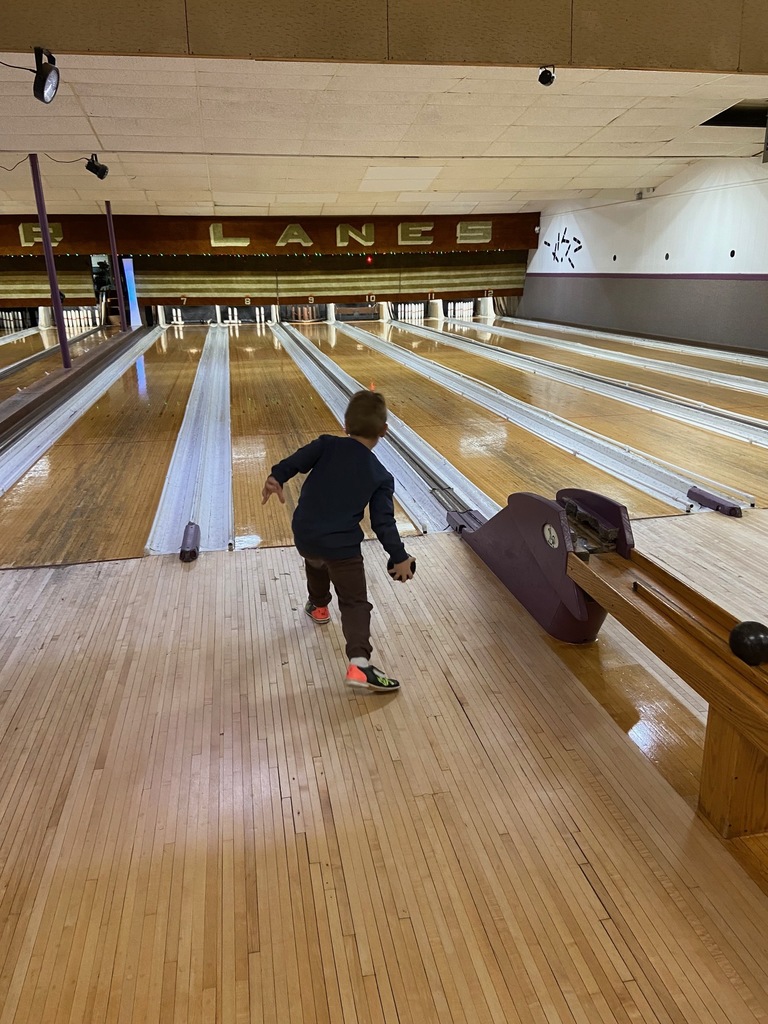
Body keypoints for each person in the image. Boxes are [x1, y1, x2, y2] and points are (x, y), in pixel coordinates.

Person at [262, 390, 414, 692]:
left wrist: (276, 477)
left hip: (305, 533)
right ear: (384, 431)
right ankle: (360, 665)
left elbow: (293, 462)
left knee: (316, 561)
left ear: (345, 426)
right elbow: (383, 523)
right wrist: (399, 556)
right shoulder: (381, 476)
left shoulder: (326, 444)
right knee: (355, 602)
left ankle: (318, 607)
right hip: (342, 546)